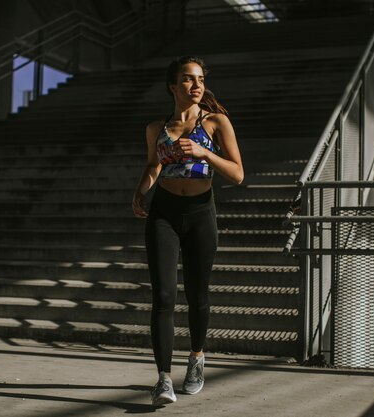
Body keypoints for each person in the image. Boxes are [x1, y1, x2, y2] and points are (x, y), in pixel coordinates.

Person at [132, 56, 244, 406]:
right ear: (172, 85)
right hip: (164, 213)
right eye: (187, 79)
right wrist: (141, 189)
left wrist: (203, 153)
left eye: (199, 79)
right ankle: (163, 379)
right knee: (163, 298)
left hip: (200, 214)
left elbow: (238, 173)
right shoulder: (156, 128)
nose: (196, 85)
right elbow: (154, 164)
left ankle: (196, 358)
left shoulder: (215, 123)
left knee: (197, 294)